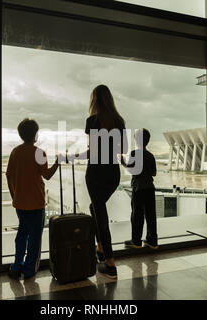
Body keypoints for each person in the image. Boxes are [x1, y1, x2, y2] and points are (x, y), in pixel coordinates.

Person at [69, 84, 127, 279]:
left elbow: (92, 151)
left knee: (100, 216)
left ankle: (110, 264)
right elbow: (121, 150)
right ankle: (101, 249)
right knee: (97, 208)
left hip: (96, 172)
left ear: (94, 100)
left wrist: (71, 156)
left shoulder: (92, 121)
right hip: (112, 172)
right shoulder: (119, 120)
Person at [6, 118, 60, 280]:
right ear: (35, 134)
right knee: (35, 239)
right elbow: (47, 175)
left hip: (20, 203)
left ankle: (16, 266)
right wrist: (57, 162)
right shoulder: (39, 153)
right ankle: (29, 269)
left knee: (22, 235)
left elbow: (9, 176)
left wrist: (14, 196)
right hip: (36, 203)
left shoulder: (15, 152)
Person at [121, 128, 158, 250]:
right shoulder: (151, 156)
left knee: (137, 215)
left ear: (137, 140)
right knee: (151, 215)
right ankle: (152, 241)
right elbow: (154, 173)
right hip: (150, 188)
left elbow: (132, 170)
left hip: (138, 188)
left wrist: (123, 163)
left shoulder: (134, 154)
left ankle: (136, 241)